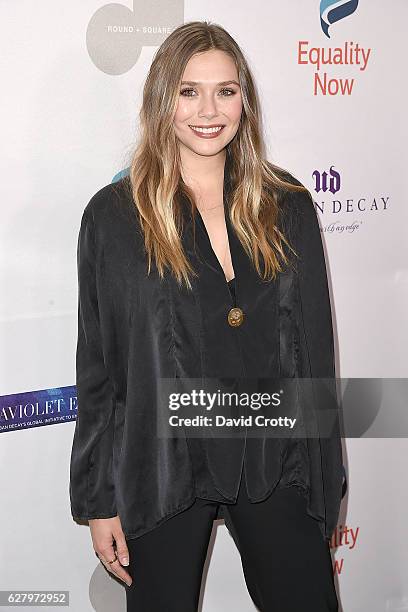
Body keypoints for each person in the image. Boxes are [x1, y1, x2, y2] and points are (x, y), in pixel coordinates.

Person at [69, 20, 343, 611]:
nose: (208, 110)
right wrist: (99, 499)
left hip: (275, 457)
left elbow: (314, 349)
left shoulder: (287, 206)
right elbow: (98, 369)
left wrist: (326, 481)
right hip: (164, 462)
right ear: (162, 99)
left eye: (225, 90)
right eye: (189, 91)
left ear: (245, 99)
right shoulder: (115, 218)